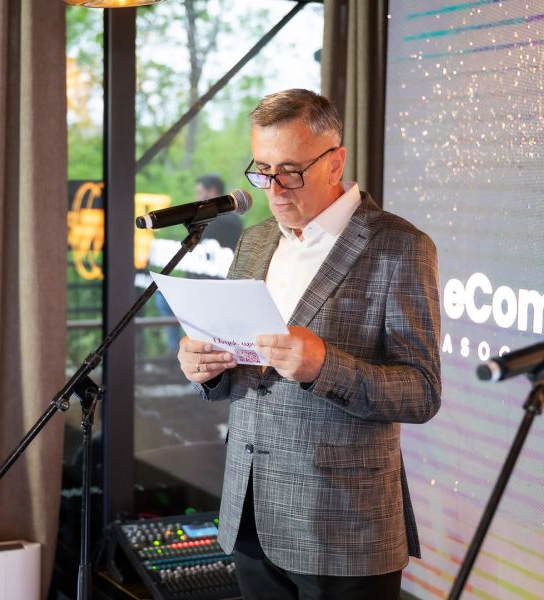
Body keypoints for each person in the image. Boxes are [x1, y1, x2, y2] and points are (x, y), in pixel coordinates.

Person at [177, 89, 441, 600]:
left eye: (291, 171)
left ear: (335, 162)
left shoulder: (400, 247)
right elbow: (242, 373)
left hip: (343, 530)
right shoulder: (255, 240)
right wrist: (206, 369)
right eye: (262, 170)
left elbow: (422, 392)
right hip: (250, 514)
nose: (274, 188)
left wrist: (325, 366)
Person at [155, 173, 243, 352]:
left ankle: (178, 349)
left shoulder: (224, 220)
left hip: (212, 285)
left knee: (164, 299)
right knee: (162, 297)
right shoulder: (216, 220)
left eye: (199, 192)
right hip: (201, 282)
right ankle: (180, 348)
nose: (197, 197)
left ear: (212, 191)